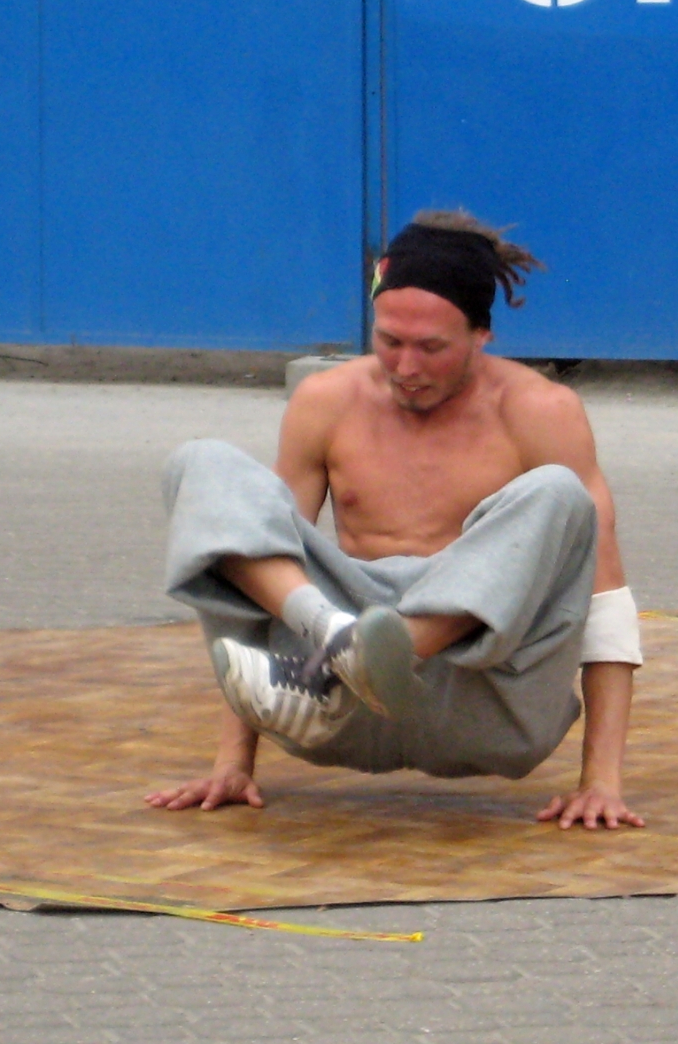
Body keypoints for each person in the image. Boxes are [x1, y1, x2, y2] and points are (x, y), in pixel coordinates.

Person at [147, 211, 645, 830]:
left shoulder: (540, 411)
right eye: (389, 341)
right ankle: (340, 645)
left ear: (482, 334)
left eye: (432, 348)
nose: (406, 366)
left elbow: (606, 601)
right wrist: (234, 762)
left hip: (484, 698)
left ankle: (374, 652)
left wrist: (602, 782)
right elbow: (255, 563)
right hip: (332, 702)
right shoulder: (326, 401)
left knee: (560, 493)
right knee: (202, 465)